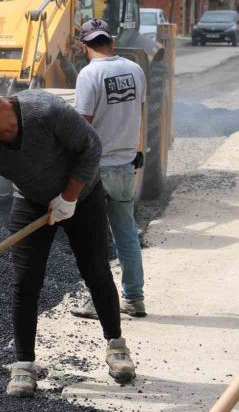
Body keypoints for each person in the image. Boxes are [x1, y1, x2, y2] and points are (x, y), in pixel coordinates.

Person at [0, 78, 136, 398]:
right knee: (25, 283)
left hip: (82, 194)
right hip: (31, 201)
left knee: (95, 270)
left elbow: (91, 147)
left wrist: (69, 198)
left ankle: (116, 346)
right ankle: (24, 364)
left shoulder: (45, 111)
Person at [71, 19, 147, 319]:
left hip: (97, 170)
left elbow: (82, 126)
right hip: (126, 166)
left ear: (83, 46)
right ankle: (134, 298)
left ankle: (97, 301)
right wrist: (135, 150)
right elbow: (137, 113)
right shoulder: (135, 70)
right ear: (111, 42)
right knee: (126, 233)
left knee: (94, 240)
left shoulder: (89, 75)